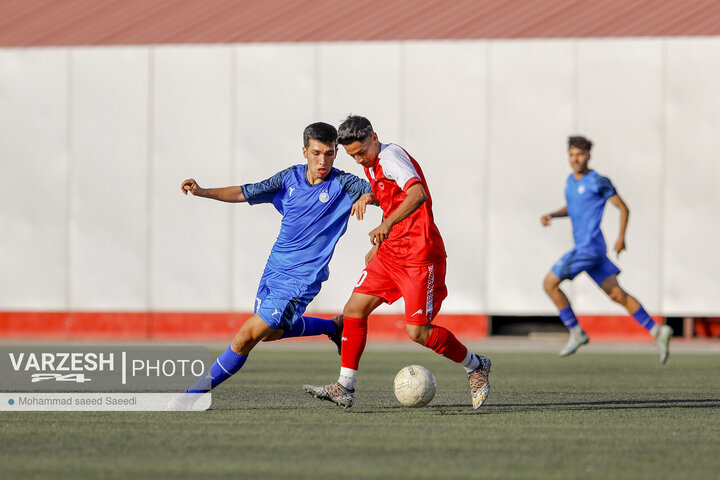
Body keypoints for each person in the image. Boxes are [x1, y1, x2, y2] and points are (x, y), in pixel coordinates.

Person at [168, 122, 374, 409]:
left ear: (336, 153)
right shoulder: (289, 178)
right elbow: (245, 192)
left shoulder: (344, 184)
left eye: (329, 154)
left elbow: (384, 192)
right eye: (316, 153)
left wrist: (369, 195)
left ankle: (189, 397)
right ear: (304, 151)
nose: (322, 161)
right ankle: (333, 327)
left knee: (245, 338)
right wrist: (202, 191)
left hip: (300, 281)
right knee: (271, 333)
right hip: (274, 271)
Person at [303, 115, 491, 410]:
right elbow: (394, 197)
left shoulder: (390, 157)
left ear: (374, 138)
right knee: (353, 310)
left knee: (418, 332)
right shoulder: (373, 164)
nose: (359, 160)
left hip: (419, 255)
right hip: (391, 252)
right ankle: (344, 387)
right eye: (352, 156)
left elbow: (418, 194)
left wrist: (386, 223)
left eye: (361, 152)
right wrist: (372, 203)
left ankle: (475, 365)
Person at [541, 135, 672, 363]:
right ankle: (657, 330)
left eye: (580, 154)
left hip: (588, 248)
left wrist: (621, 237)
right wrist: (554, 214)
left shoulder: (598, 181)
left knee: (549, 283)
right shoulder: (570, 182)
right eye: (572, 155)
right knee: (616, 293)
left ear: (589, 155)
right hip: (594, 251)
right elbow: (574, 208)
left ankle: (576, 331)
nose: (576, 159)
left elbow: (623, 208)